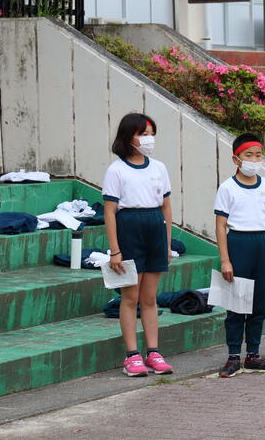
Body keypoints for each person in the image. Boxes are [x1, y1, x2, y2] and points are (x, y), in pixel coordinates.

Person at [103, 113, 174, 377]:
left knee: (150, 298)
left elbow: (166, 207)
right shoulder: (116, 170)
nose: (148, 139)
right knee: (130, 297)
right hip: (129, 228)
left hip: (154, 228)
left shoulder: (159, 168)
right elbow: (110, 211)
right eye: (143, 134)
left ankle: (153, 352)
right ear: (128, 136)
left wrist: (167, 244)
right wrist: (115, 250)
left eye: (151, 134)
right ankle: (132, 355)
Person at [214, 133, 265, 378]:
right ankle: (233, 356)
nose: (254, 160)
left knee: (258, 303)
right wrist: (225, 260)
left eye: (258, 155)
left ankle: (253, 354)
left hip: (263, 244)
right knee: (236, 303)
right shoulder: (227, 188)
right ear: (236, 159)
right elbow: (220, 226)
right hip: (238, 243)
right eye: (248, 155)